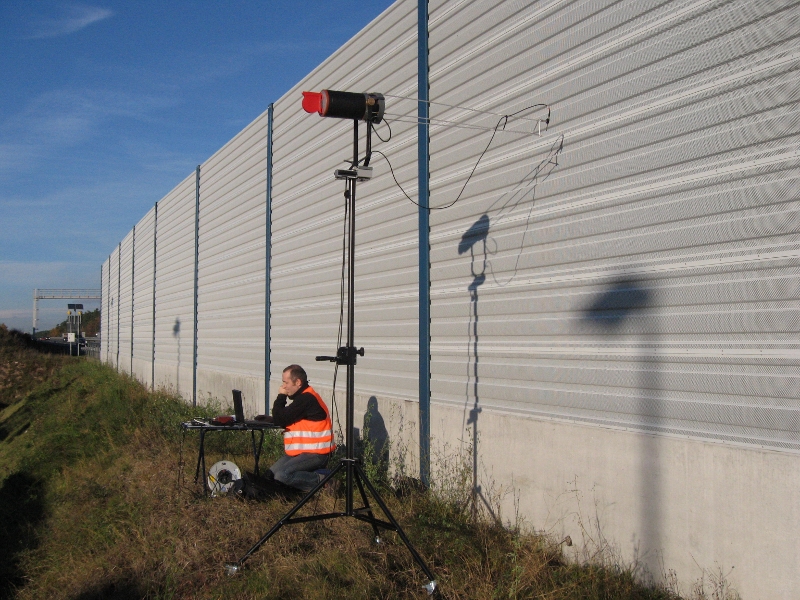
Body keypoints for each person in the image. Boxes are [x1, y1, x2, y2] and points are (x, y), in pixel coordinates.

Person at [257, 364, 335, 491]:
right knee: (269, 476)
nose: (283, 387)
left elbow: (281, 418)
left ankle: (325, 481)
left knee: (283, 475)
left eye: (285, 382)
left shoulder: (307, 399)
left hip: (317, 455)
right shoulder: (303, 398)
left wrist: (281, 397)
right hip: (301, 452)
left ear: (298, 382)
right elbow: (288, 418)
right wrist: (271, 419)